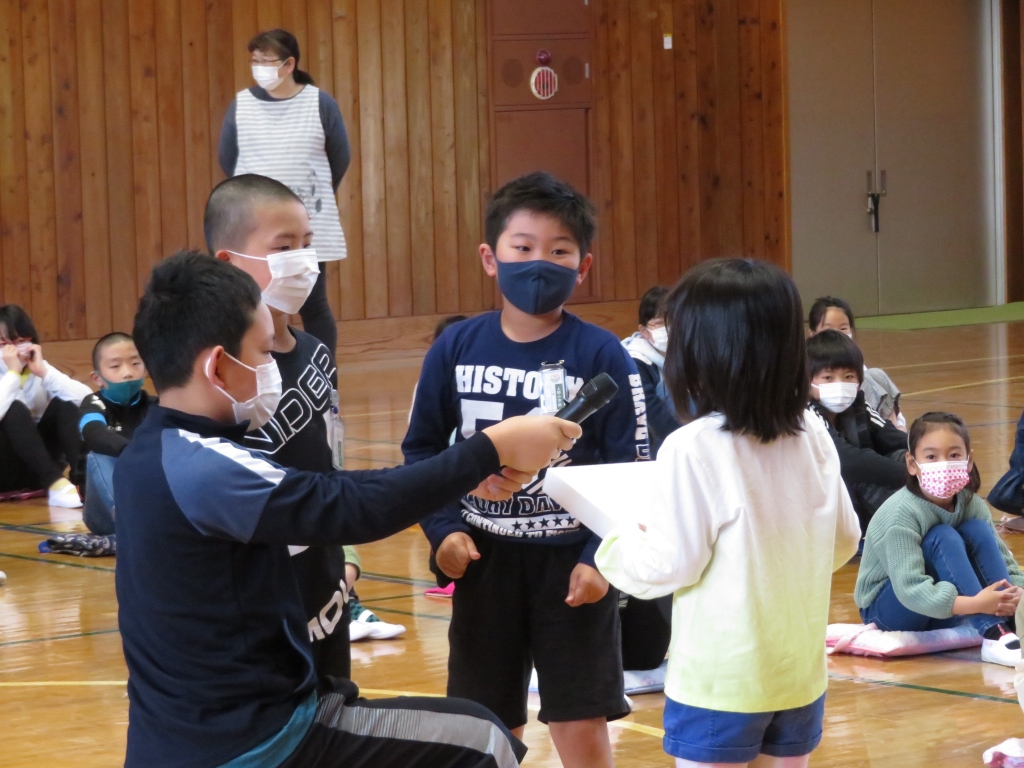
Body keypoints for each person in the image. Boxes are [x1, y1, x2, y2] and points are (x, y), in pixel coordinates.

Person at [117, 250, 580, 768]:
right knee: (483, 741)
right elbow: (353, 508)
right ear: (219, 366)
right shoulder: (202, 468)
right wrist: (491, 448)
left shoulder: (155, 452)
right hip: (254, 743)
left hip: (189, 737)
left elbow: (332, 490)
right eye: (264, 353)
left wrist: (467, 473)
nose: (273, 368)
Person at [403, 172, 646, 768]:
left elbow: (633, 469)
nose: (540, 263)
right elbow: (422, 452)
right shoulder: (454, 347)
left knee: (580, 717)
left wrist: (600, 559)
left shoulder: (604, 354)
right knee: (483, 720)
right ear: (491, 258)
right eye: (523, 246)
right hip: (484, 562)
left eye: (559, 251)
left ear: (583, 267)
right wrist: (443, 530)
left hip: (572, 568)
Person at [595, 258, 862, 768]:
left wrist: (613, 543)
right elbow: (845, 541)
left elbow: (669, 565)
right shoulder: (812, 432)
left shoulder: (694, 446)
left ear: (701, 352)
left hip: (721, 683)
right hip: (799, 675)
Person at [205, 173, 401, 679]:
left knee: (334, 703)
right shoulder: (219, 374)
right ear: (230, 262)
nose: (303, 260)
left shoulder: (316, 352)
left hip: (325, 583)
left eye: (308, 244)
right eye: (284, 247)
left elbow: (329, 462)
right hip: (260, 594)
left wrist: (345, 552)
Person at [855, 411, 1024, 667]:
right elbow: (909, 589)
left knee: (977, 529)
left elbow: (1004, 562)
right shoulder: (901, 513)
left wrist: (1017, 591)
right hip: (890, 610)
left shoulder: (971, 504)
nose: (943, 464)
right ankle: (992, 632)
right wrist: (975, 603)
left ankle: (1010, 623)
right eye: (932, 457)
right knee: (942, 536)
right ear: (912, 463)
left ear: (969, 460)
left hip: (944, 607)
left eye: (954, 455)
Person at [219, 28, 350, 357]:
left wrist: (305, 203)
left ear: (289, 64)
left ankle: (324, 380)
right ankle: (262, 375)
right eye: (255, 61)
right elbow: (227, 158)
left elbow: (340, 159)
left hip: (308, 221)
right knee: (255, 302)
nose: (259, 68)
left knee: (313, 304)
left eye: (266, 61)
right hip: (255, 224)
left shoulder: (320, 103)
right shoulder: (242, 104)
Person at [807, 330, 907, 534]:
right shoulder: (806, 414)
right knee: (864, 476)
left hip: (856, 494)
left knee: (905, 455)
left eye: (848, 377)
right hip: (826, 504)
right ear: (808, 381)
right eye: (828, 377)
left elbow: (892, 437)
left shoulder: (859, 407)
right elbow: (847, 460)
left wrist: (933, 457)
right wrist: (911, 474)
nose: (839, 385)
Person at [0, 305, 90, 507]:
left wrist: (45, 373)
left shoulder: (37, 368)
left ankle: (84, 480)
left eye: (20, 341)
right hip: (4, 468)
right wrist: (13, 374)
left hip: (36, 468)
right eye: (3, 343)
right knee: (13, 408)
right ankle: (54, 483)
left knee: (65, 402)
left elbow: (85, 399)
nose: (12, 351)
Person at [78, 332, 155, 535]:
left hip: (148, 501)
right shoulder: (93, 404)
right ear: (97, 378)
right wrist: (133, 451)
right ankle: (136, 530)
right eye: (115, 366)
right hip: (104, 513)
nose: (127, 373)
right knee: (99, 453)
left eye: (135, 364)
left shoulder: (156, 406)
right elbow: (93, 432)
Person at [808, 296, 904, 430]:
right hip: (841, 422)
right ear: (812, 334)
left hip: (864, 417)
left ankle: (893, 425)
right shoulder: (810, 411)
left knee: (877, 375)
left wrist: (900, 426)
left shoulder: (854, 362)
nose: (837, 334)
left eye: (843, 328)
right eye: (828, 377)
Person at [622, 286, 679, 458]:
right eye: (660, 323)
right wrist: (684, 442)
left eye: (674, 320)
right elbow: (651, 412)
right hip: (654, 441)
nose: (669, 328)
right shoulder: (634, 361)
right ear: (644, 331)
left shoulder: (691, 352)